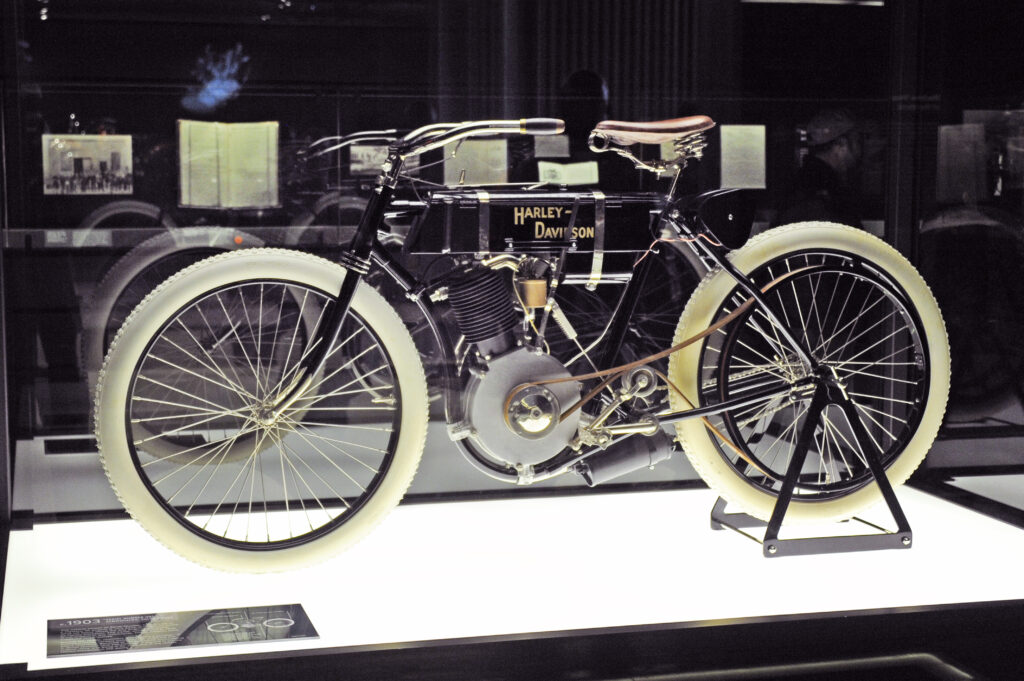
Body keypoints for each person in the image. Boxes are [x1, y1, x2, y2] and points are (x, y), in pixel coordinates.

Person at [774, 108, 863, 228]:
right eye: (857, 141)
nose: (859, 151)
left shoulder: (802, 183)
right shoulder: (825, 193)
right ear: (841, 144)